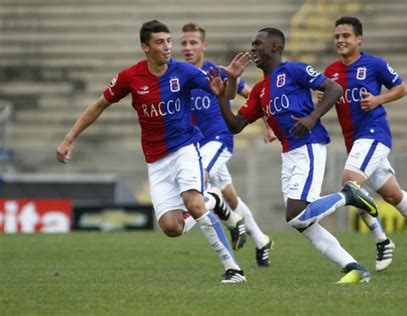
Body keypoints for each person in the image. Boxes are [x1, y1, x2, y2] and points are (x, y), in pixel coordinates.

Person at [56, 19, 249, 283]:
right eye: (160, 42)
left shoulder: (184, 72)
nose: (168, 47)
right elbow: (100, 105)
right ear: (145, 47)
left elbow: (224, 93)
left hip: (186, 147)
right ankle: (214, 200)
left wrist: (231, 81)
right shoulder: (130, 77)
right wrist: (69, 138)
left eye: (169, 41)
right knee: (172, 228)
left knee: (193, 203)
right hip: (156, 159)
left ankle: (233, 269)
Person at [209, 27, 381, 284]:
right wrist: (221, 96)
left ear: (275, 47)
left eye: (259, 44)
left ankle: (348, 195)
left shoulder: (294, 70)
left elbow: (334, 88)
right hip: (289, 153)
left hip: (309, 145)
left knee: (297, 213)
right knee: (303, 224)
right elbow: (235, 125)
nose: (253, 48)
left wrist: (313, 117)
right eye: (252, 44)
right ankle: (354, 268)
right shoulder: (259, 91)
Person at [318, 16, 407, 271]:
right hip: (353, 141)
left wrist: (378, 99)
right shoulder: (331, 71)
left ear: (359, 39)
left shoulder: (375, 64)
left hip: (374, 134)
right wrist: (322, 98)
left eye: (346, 36)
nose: (340, 40)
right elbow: (326, 100)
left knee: (349, 183)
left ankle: (382, 240)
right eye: (337, 36)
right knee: (392, 195)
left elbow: (401, 88)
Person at [180, 22, 275, 267]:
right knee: (231, 196)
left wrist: (269, 123)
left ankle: (233, 221)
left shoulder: (215, 71)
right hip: (198, 144)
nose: (188, 47)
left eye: (193, 42)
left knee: (200, 179)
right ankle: (261, 239)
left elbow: (249, 94)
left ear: (204, 45)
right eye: (184, 43)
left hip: (219, 138)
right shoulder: (178, 74)